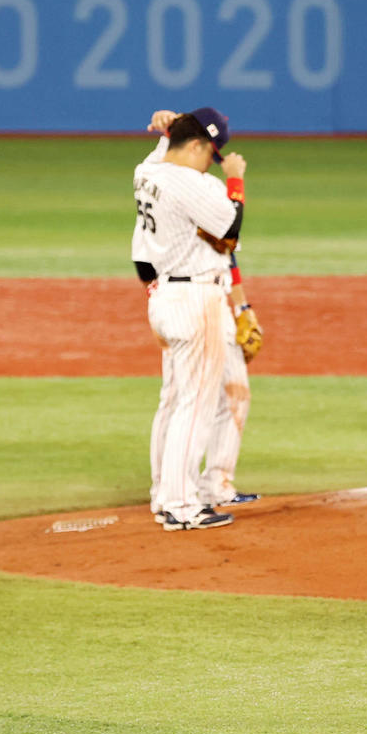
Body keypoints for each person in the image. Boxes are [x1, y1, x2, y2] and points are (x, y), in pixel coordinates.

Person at [140, 108, 260, 516]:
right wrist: (237, 179)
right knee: (192, 404)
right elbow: (231, 229)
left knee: (187, 399)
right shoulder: (194, 185)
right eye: (213, 152)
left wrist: (168, 129)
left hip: (171, 296)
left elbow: (166, 151)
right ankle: (179, 503)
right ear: (195, 145)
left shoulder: (148, 170)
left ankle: (179, 493)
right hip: (194, 300)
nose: (214, 160)